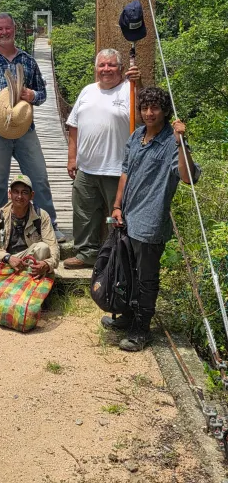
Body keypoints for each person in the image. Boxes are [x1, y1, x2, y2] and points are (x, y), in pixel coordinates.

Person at [105, 87, 200, 352]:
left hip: (150, 222)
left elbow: (187, 177)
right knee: (128, 272)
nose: (149, 113)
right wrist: (117, 206)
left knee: (146, 278)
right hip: (128, 216)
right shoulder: (137, 136)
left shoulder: (172, 142)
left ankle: (141, 329)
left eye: (154, 108)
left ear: (165, 111)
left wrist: (182, 143)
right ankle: (127, 316)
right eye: (145, 108)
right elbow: (125, 172)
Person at [0, 12, 65, 242]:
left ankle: (49, 225)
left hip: (24, 128)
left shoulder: (28, 61)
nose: (4, 32)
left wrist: (33, 95)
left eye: (8, 28)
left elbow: (42, 93)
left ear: (14, 29)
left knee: (39, 176)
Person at [64, 49, 142, 270]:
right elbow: (73, 125)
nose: (106, 69)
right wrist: (72, 157)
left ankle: (118, 256)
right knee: (84, 212)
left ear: (121, 69)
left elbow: (145, 115)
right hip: (86, 167)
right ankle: (86, 253)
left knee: (116, 216)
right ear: (95, 68)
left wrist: (140, 83)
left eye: (111, 65)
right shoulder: (87, 91)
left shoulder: (130, 89)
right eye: (102, 65)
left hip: (117, 168)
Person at [0, 174, 59, 275]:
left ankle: (23, 277)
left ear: (32, 195)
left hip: (28, 260)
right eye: (16, 192)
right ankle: (21, 276)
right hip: (5, 258)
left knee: (43, 248)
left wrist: (47, 264)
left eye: (24, 192)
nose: (20, 196)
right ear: (9, 194)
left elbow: (53, 246)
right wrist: (8, 258)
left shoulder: (41, 215)